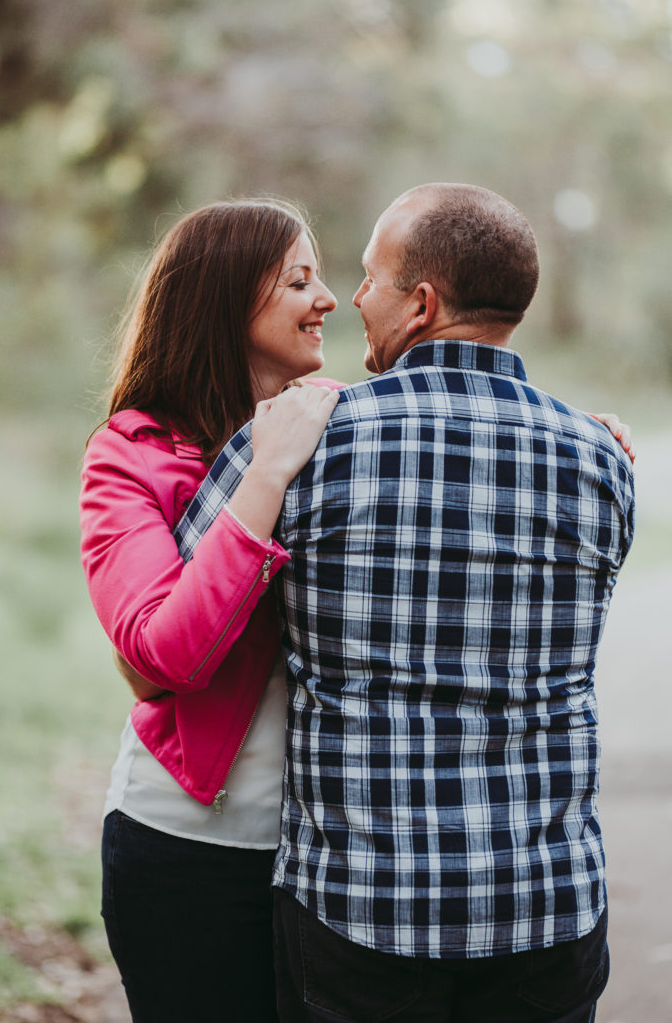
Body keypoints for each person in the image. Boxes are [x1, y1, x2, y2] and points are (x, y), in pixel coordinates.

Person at [179, 184, 635, 1022]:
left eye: (370, 278)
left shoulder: (303, 439)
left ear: (421, 305)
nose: (352, 300)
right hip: (547, 904)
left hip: (361, 913)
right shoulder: (603, 457)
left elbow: (189, 600)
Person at [78, 198, 339, 1022]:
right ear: (228, 301)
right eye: (300, 279)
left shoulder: (338, 425)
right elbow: (165, 653)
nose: (327, 298)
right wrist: (264, 478)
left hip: (336, 861)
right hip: (189, 852)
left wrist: (580, 432)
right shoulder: (133, 451)